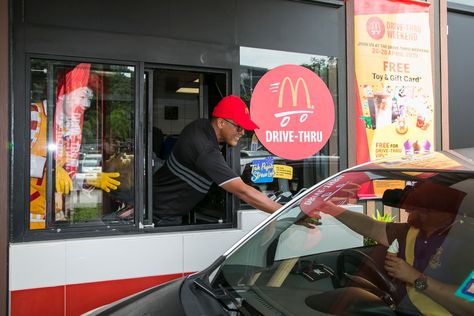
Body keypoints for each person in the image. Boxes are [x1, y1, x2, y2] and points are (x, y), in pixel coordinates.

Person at [307, 182, 473, 315]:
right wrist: (331, 208)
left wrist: (415, 278)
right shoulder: (411, 231)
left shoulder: (466, 243)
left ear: (446, 213)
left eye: (419, 207)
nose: (408, 210)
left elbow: (469, 304)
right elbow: (371, 227)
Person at [152, 95, 282, 226]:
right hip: (163, 215)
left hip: (162, 203)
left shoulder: (200, 125)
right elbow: (243, 192)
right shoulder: (205, 150)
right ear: (221, 123)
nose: (242, 132)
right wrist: (287, 213)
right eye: (239, 127)